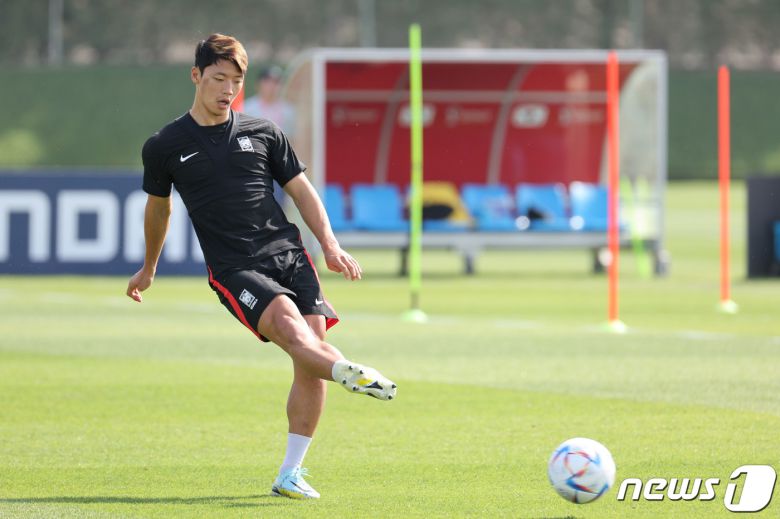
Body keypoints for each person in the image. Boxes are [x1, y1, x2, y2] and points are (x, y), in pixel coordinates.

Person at [125, 33, 396, 500]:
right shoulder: (166, 145)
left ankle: (291, 471)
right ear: (196, 76)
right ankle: (347, 371)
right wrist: (149, 267)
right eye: (217, 79)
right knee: (295, 335)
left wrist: (329, 245)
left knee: (309, 358)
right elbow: (159, 209)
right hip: (235, 268)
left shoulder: (264, 133)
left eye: (235, 80)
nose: (226, 89)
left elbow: (301, 191)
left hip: (290, 255)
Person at [242, 64, 296, 137]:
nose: (272, 86)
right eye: (267, 81)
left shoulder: (288, 110)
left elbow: (292, 137)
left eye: (276, 82)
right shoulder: (247, 108)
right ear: (258, 84)